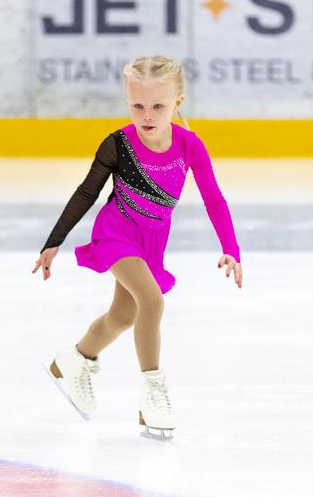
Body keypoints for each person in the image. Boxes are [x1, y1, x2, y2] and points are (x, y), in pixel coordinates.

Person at [31, 55, 243, 441]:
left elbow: (214, 199)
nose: (147, 115)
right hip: (116, 231)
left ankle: (76, 358)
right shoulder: (118, 144)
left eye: (158, 106)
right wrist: (54, 240)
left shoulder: (189, 145)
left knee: (123, 316)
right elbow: (86, 192)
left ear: (177, 101)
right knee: (152, 301)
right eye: (137, 105)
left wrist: (231, 248)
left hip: (153, 241)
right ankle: (153, 394)